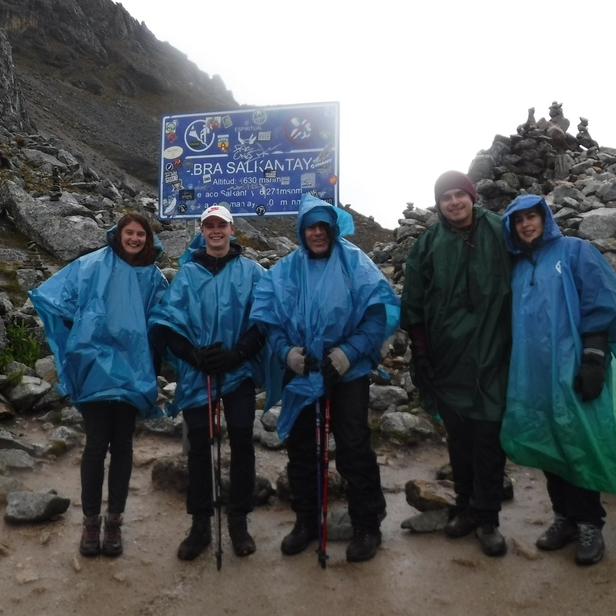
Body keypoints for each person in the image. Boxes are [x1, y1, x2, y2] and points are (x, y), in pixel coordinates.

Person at [501, 194, 616, 566]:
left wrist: (593, 356)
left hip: (575, 365)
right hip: (534, 371)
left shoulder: (574, 251)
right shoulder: (518, 268)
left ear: (545, 219)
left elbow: (600, 301)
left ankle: (590, 522)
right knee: (548, 440)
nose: (526, 224)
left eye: (532, 217)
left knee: (582, 440)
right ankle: (564, 517)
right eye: (519, 220)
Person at [251, 193, 400, 563]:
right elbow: (269, 320)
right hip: (304, 369)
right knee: (302, 447)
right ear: (301, 232)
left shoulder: (356, 264)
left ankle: (367, 524)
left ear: (332, 229)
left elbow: (376, 315)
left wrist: (348, 353)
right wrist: (287, 352)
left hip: (348, 371)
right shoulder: (286, 269)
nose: (316, 233)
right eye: (309, 228)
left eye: (322, 227)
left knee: (353, 444)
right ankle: (305, 521)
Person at [29, 213, 167, 558]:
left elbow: (164, 318)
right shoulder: (91, 265)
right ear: (117, 234)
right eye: (129, 232)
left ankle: (113, 522)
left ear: (147, 239)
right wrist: (81, 336)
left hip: (131, 371)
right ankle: (92, 520)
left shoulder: (153, 276)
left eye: (140, 234)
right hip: (94, 368)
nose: (134, 238)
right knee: (95, 445)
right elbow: (58, 297)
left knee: (122, 446)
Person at [400, 171, 513, 557]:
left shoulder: (500, 230)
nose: (453, 202)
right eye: (445, 197)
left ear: (472, 196)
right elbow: (413, 301)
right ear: (439, 204)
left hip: (494, 355)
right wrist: (421, 352)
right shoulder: (428, 244)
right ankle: (464, 507)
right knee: (460, 440)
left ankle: (488, 518)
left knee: (489, 440)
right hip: (447, 359)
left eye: (459, 195)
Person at [149, 205, 269, 561]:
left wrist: (236, 355)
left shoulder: (253, 273)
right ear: (201, 231)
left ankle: (238, 519)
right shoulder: (186, 275)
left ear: (232, 230)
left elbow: (263, 321)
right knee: (199, 445)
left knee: (243, 440)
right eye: (209, 225)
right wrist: (193, 355)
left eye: (222, 225)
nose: (216, 231)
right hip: (196, 372)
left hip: (240, 370)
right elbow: (168, 324)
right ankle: (200, 522)